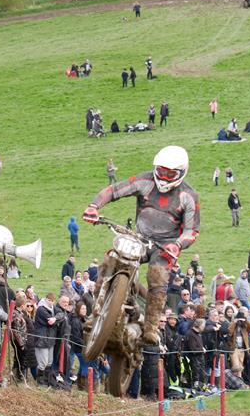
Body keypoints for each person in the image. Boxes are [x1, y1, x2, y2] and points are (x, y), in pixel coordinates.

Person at [83, 145, 199, 346]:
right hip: (140, 237)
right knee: (111, 259)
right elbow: (114, 190)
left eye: (169, 173)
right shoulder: (145, 181)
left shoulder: (188, 196)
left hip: (165, 246)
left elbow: (192, 231)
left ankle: (151, 327)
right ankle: (98, 310)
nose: (163, 176)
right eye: (161, 170)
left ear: (181, 172)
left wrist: (178, 245)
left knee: (157, 276)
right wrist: (94, 206)